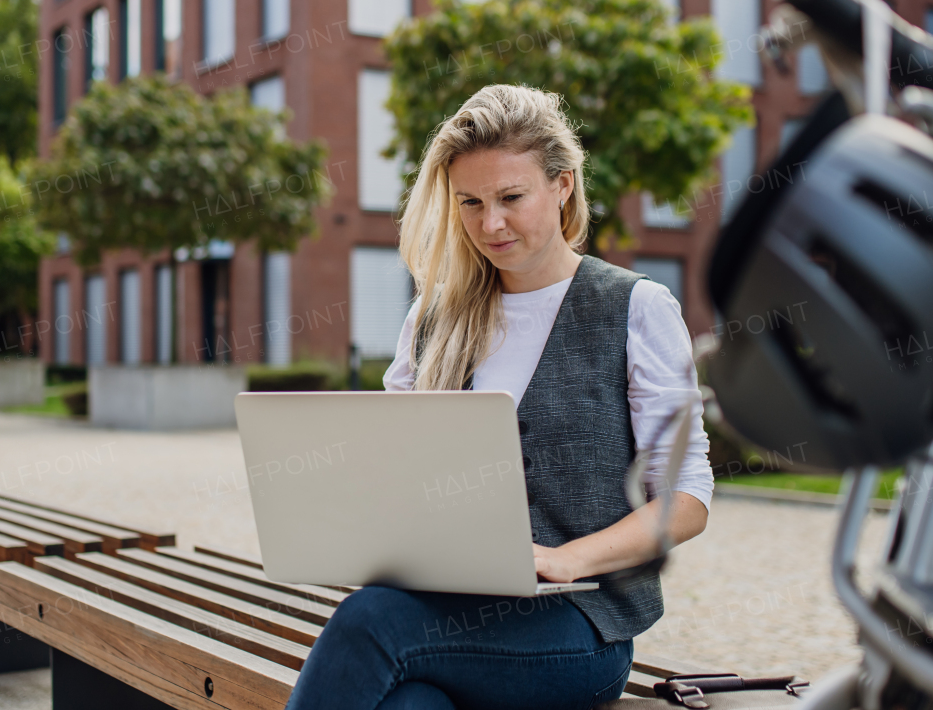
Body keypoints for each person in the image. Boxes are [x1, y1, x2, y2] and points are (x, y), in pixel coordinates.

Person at [285, 84, 714, 710]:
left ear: (563, 185)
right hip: (451, 607)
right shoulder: (433, 317)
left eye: (512, 198)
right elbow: (388, 473)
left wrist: (570, 558)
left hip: (578, 624)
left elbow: (688, 499)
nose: (491, 224)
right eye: (470, 203)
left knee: (367, 623)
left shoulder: (634, 308)